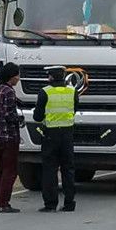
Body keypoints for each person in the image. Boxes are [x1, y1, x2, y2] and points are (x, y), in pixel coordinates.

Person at [33, 66, 79, 212]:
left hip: (50, 134)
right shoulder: (72, 91)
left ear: (50, 77)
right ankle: (69, 203)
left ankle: (50, 204)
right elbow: (74, 109)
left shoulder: (45, 92)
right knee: (68, 169)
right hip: (68, 134)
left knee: (49, 170)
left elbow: (37, 117)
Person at [0, 62, 21, 213]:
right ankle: (4, 203)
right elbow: (9, 115)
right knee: (10, 171)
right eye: (17, 75)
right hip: (9, 137)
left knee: (0, 170)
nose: (18, 78)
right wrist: (19, 120)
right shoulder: (9, 92)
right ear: (11, 76)